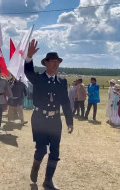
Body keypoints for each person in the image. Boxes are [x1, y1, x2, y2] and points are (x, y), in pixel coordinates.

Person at [25, 40, 73, 189]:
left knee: (55, 151)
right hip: (39, 119)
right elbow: (28, 72)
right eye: (52, 61)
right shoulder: (38, 78)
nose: (55, 64)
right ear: (46, 63)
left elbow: (65, 102)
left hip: (55, 120)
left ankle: (48, 181)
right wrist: (28, 57)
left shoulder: (62, 82)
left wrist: (69, 121)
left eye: (57, 62)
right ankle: (35, 165)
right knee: (41, 150)